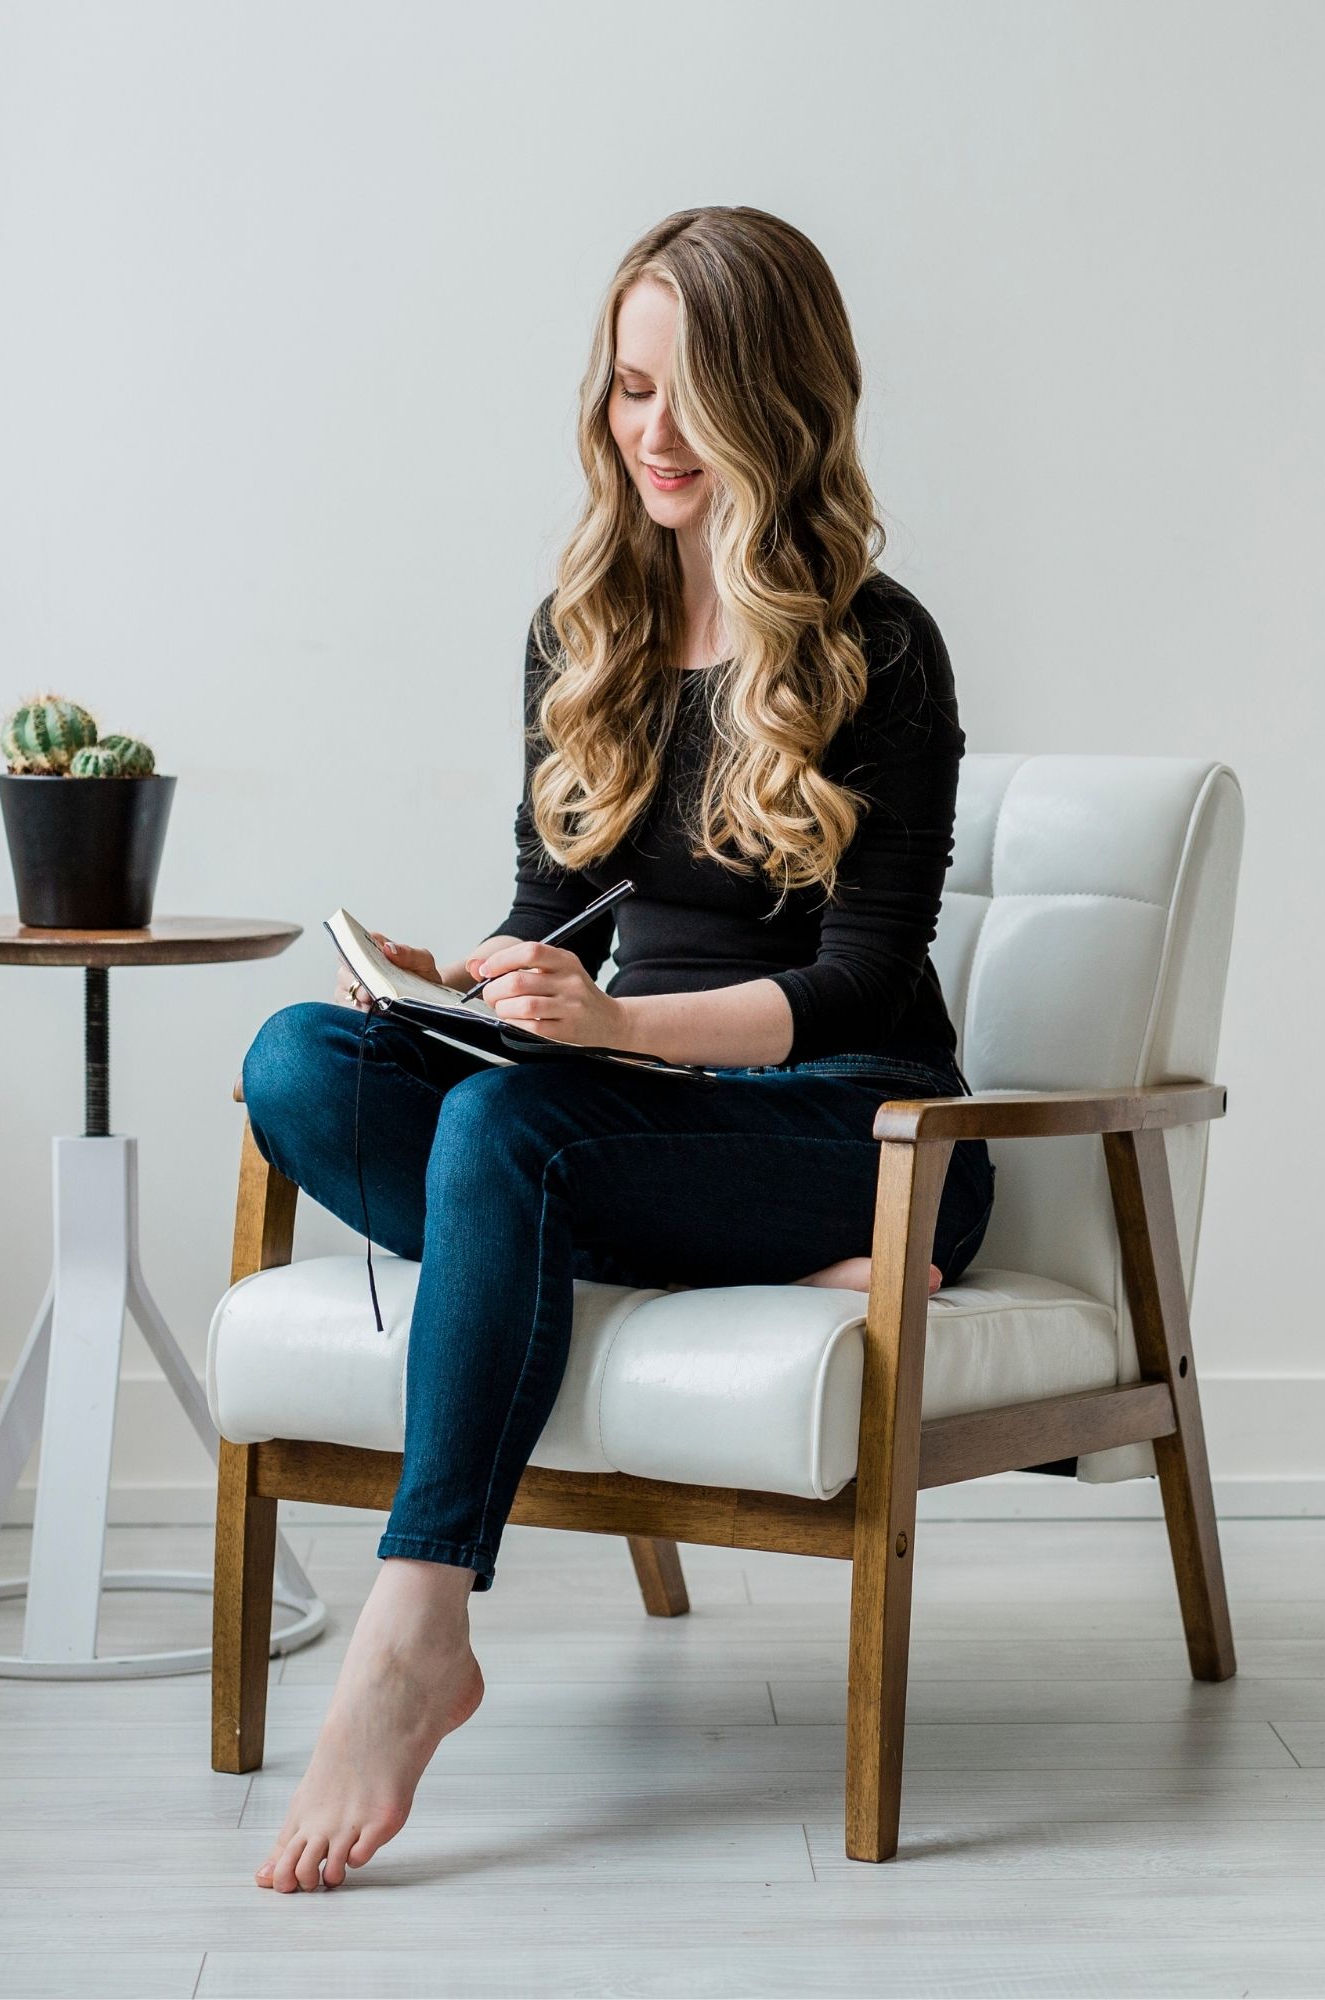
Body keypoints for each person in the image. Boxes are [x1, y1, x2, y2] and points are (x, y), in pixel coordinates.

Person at [240, 205, 996, 1894]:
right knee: (300, 1061)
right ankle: (607, 1232)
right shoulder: (586, 624)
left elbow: (871, 982)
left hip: (861, 1135)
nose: (649, 432)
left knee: (511, 1143)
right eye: (628, 388)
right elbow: (559, 907)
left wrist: (618, 1030)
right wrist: (477, 975)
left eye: (691, 393)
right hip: (634, 1115)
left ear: (778, 405)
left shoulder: (883, 645)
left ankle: (416, 1629)